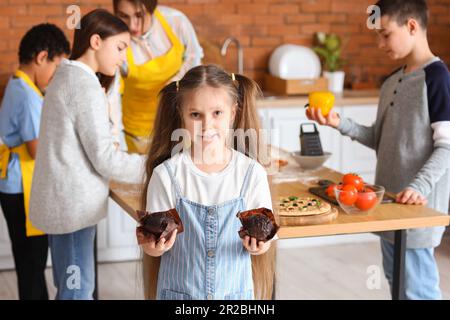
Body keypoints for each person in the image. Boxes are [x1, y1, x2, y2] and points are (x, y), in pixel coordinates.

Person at [307, 0, 450, 299]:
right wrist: (338, 122)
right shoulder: (391, 82)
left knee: (418, 291)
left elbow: (447, 147)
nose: (379, 43)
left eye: (385, 34)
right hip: (387, 206)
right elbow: (378, 138)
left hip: (416, 210)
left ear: (412, 25)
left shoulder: (437, 78)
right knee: (397, 284)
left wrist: (418, 187)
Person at [29, 9, 146, 300]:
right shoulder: (84, 85)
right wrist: (153, 165)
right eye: (120, 48)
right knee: (77, 292)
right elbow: (105, 158)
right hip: (72, 209)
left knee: (70, 288)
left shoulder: (67, 76)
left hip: (64, 206)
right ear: (95, 41)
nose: (123, 58)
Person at [139, 64, 276, 300]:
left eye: (217, 113)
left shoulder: (251, 173)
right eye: (195, 115)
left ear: (233, 112)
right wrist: (153, 246)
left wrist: (259, 246)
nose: (207, 125)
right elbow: (151, 245)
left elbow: (266, 239)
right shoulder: (167, 175)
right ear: (181, 114)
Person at [0, 24, 70, 300]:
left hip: (14, 185)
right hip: (22, 187)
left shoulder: (20, 86)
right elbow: (37, 149)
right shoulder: (27, 95)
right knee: (33, 260)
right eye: (56, 68)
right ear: (42, 58)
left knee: (28, 260)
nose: (55, 78)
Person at [112, 0, 203, 153]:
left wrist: (175, 83)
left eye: (139, 15)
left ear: (151, 8)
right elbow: (113, 93)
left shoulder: (175, 21)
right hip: (138, 133)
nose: (133, 26)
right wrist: (116, 137)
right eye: (123, 16)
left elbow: (194, 57)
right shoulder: (115, 41)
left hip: (179, 124)